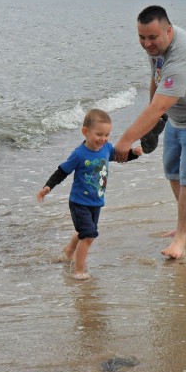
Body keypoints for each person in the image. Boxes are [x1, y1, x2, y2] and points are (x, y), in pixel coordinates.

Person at [114, 5, 186, 259]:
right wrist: (154, 121)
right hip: (179, 113)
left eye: (152, 37)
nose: (147, 44)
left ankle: (181, 239)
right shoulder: (157, 46)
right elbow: (157, 80)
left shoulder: (183, 56)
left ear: (168, 31)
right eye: (141, 37)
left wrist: (126, 140)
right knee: (173, 171)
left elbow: (160, 104)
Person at [37, 108, 142, 279]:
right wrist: (48, 187)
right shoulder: (79, 154)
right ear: (85, 132)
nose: (103, 139)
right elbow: (62, 171)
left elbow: (118, 156)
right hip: (79, 203)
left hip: (96, 202)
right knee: (89, 235)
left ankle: (70, 249)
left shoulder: (106, 148)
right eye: (99, 134)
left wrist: (133, 154)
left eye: (107, 135)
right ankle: (79, 271)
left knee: (86, 232)